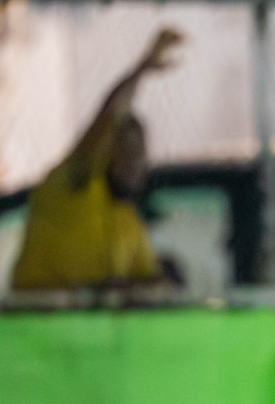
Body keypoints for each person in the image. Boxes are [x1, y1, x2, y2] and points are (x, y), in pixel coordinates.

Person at [11, 28, 184, 290]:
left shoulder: (127, 221)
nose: (135, 166)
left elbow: (150, 285)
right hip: (33, 328)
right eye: (125, 154)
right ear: (104, 154)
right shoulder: (70, 188)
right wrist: (141, 70)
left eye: (139, 157)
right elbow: (109, 117)